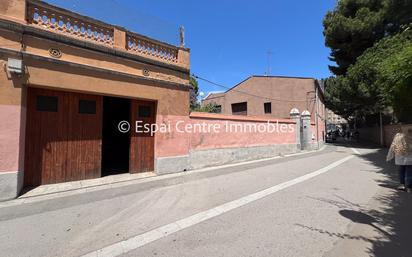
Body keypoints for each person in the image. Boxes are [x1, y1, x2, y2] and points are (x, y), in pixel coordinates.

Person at [387, 127, 412, 193]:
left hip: (400, 159)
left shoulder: (397, 137)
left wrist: (389, 156)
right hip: (410, 159)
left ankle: (402, 185)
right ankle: (409, 188)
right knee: (409, 173)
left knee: (401, 172)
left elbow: (392, 146)